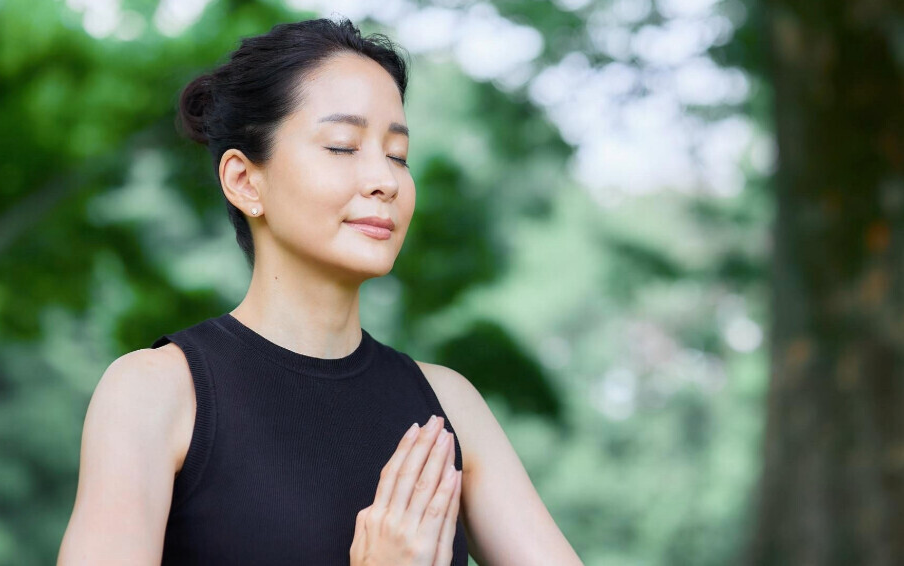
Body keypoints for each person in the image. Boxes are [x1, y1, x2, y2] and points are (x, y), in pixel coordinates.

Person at [57, 17, 583, 566]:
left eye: (398, 154)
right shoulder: (155, 393)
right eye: (341, 146)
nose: (386, 179)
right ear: (243, 181)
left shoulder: (448, 408)